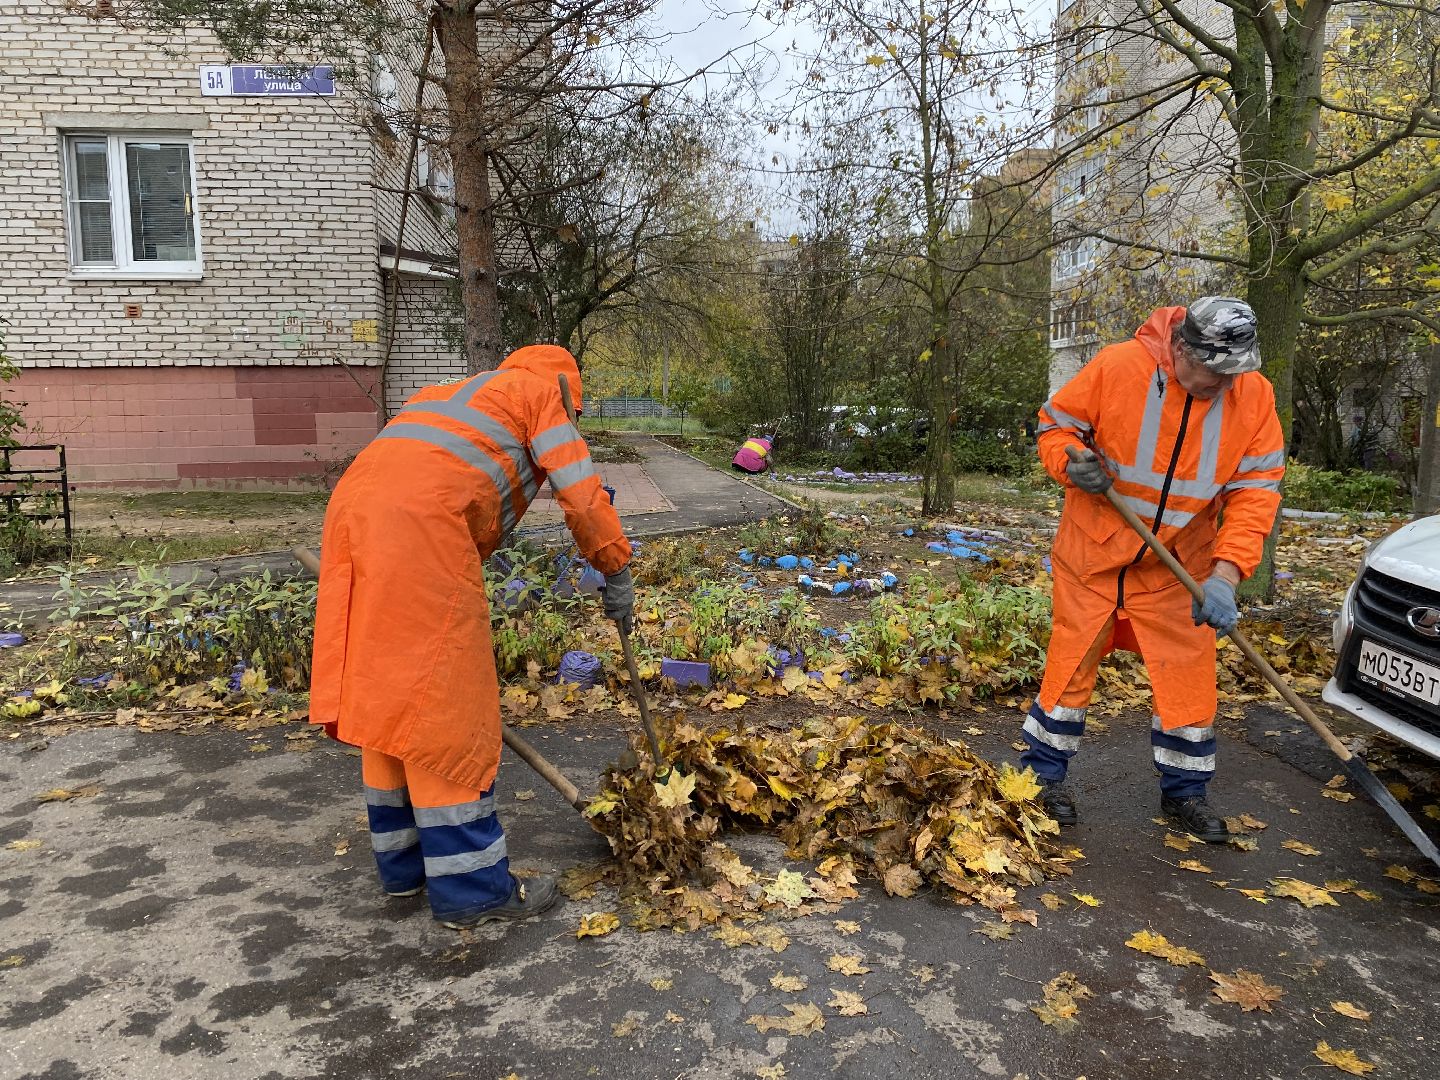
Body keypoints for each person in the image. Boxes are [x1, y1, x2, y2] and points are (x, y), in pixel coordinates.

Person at [309, 345, 635, 928]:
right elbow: (581, 491)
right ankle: (473, 890)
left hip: (354, 517)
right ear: (567, 393)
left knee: (389, 690)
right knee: (443, 702)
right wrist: (615, 567)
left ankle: (404, 869)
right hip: (420, 529)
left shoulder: (452, 394)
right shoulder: (543, 397)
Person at [1020, 297, 1285, 843]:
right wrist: (1073, 465)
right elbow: (1055, 428)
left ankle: (1185, 794)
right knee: (1070, 667)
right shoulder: (1119, 367)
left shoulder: (1253, 397)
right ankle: (1041, 780)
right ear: (1182, 348)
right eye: (1212, 371)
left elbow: (1255, 493)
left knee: (1187, 678)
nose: (1221, 384)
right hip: (1093, 556)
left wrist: (1226, 574)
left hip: (1177, 567)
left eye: (1232, 373)